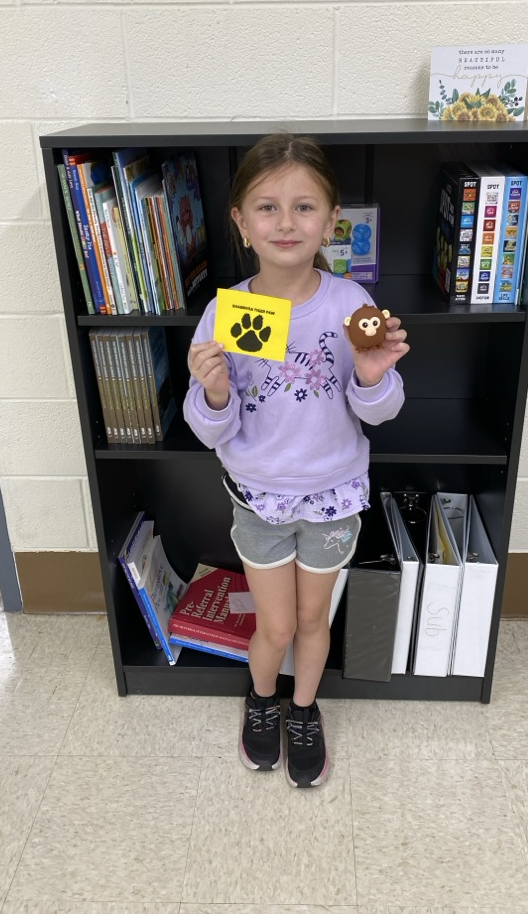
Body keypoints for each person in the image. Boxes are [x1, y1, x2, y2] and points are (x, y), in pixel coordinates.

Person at [183, 132, 409, 788]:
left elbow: (381, 412)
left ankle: (304, 709)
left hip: (335, 494)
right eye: (268, 207)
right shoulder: (226, 312)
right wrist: (215, 393)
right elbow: (209, 428)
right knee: (276, 625)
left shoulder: (352, 305)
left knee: (314, 619)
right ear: (241, 221)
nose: (286, 222)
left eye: (304, 207)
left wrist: (371, 377)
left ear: (331, 220)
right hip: (260, 496)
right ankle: (262, 700)